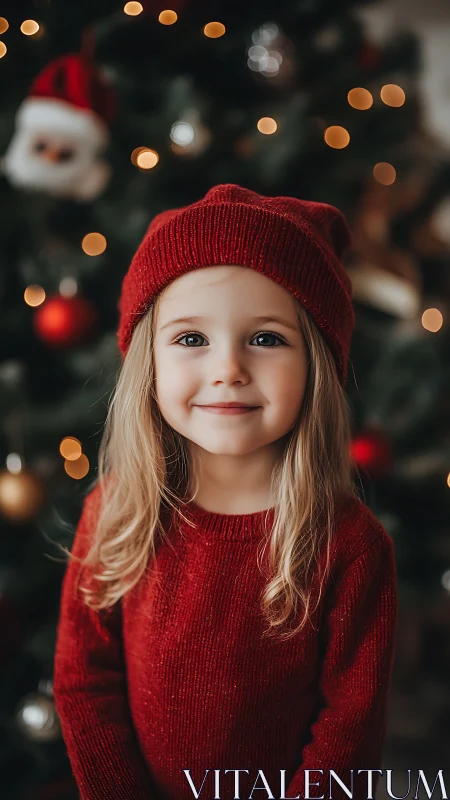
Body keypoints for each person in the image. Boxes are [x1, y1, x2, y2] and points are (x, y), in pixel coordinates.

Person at [52, 183, 398, 800]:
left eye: (266, 338)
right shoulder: (115, 513)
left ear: (318, 364)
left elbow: (351, 724)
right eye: (191, 339)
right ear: (148, 365)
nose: (228, 368)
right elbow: (85, 682)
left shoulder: (350, 544)